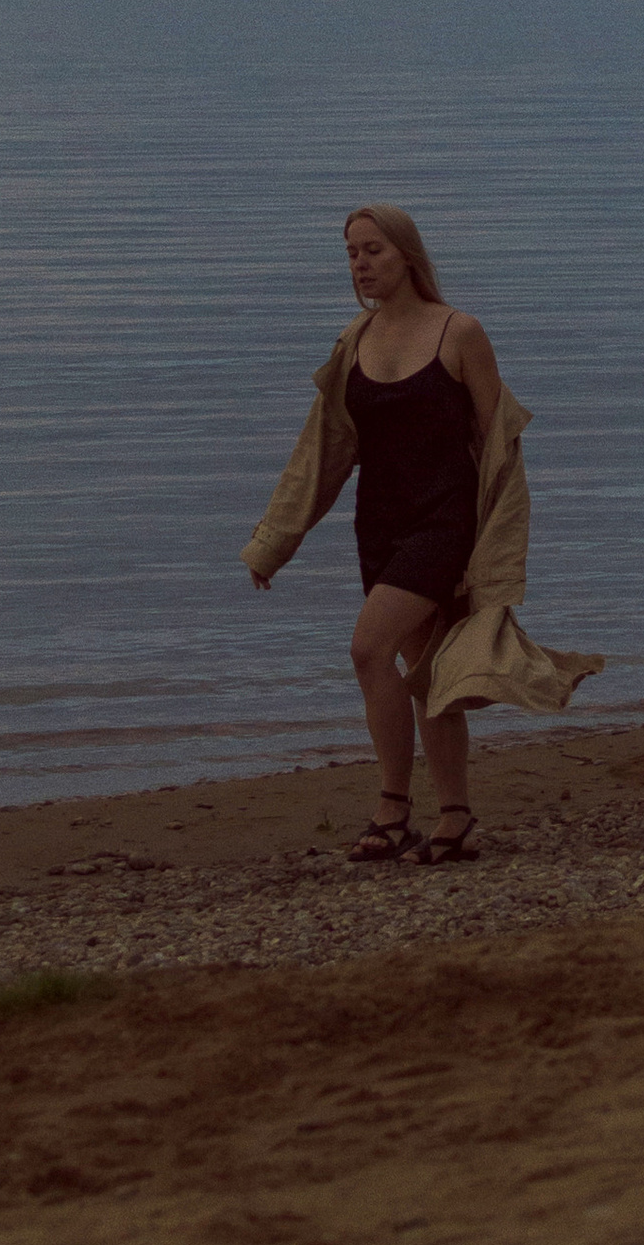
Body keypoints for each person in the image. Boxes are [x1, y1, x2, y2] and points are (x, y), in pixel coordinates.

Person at [242, 202, 602, 866]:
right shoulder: (355, 340)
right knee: (423, 671)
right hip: (378, 524)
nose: (361, 263)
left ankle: (392, 806)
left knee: (366, 648)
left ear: (407, 253)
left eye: (373, 249)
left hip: (445, 522)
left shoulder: (458, 333)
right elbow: (321, 454)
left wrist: (491, 555)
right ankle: (456, 816)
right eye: (351, 252)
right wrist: (274, 541)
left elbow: (498, 452)